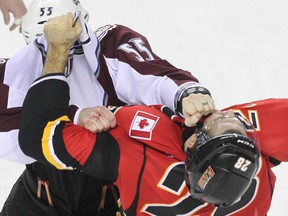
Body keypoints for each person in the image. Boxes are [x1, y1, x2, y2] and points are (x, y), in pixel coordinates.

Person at [16, 12, 287, 216]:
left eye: (219, 123)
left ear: (193, 143)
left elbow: (36, 135)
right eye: (239, 127)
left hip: (57, 193)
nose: (230, 116)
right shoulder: (253, 143)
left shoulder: (133, 156)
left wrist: (58, 51)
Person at [0, 1, 215, 215]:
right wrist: (77, 116)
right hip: (36, 201)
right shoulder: (12, 76)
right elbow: (31, 134)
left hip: (109, 198)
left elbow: (154, 75)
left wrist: (186, 92)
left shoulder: (113, 46)